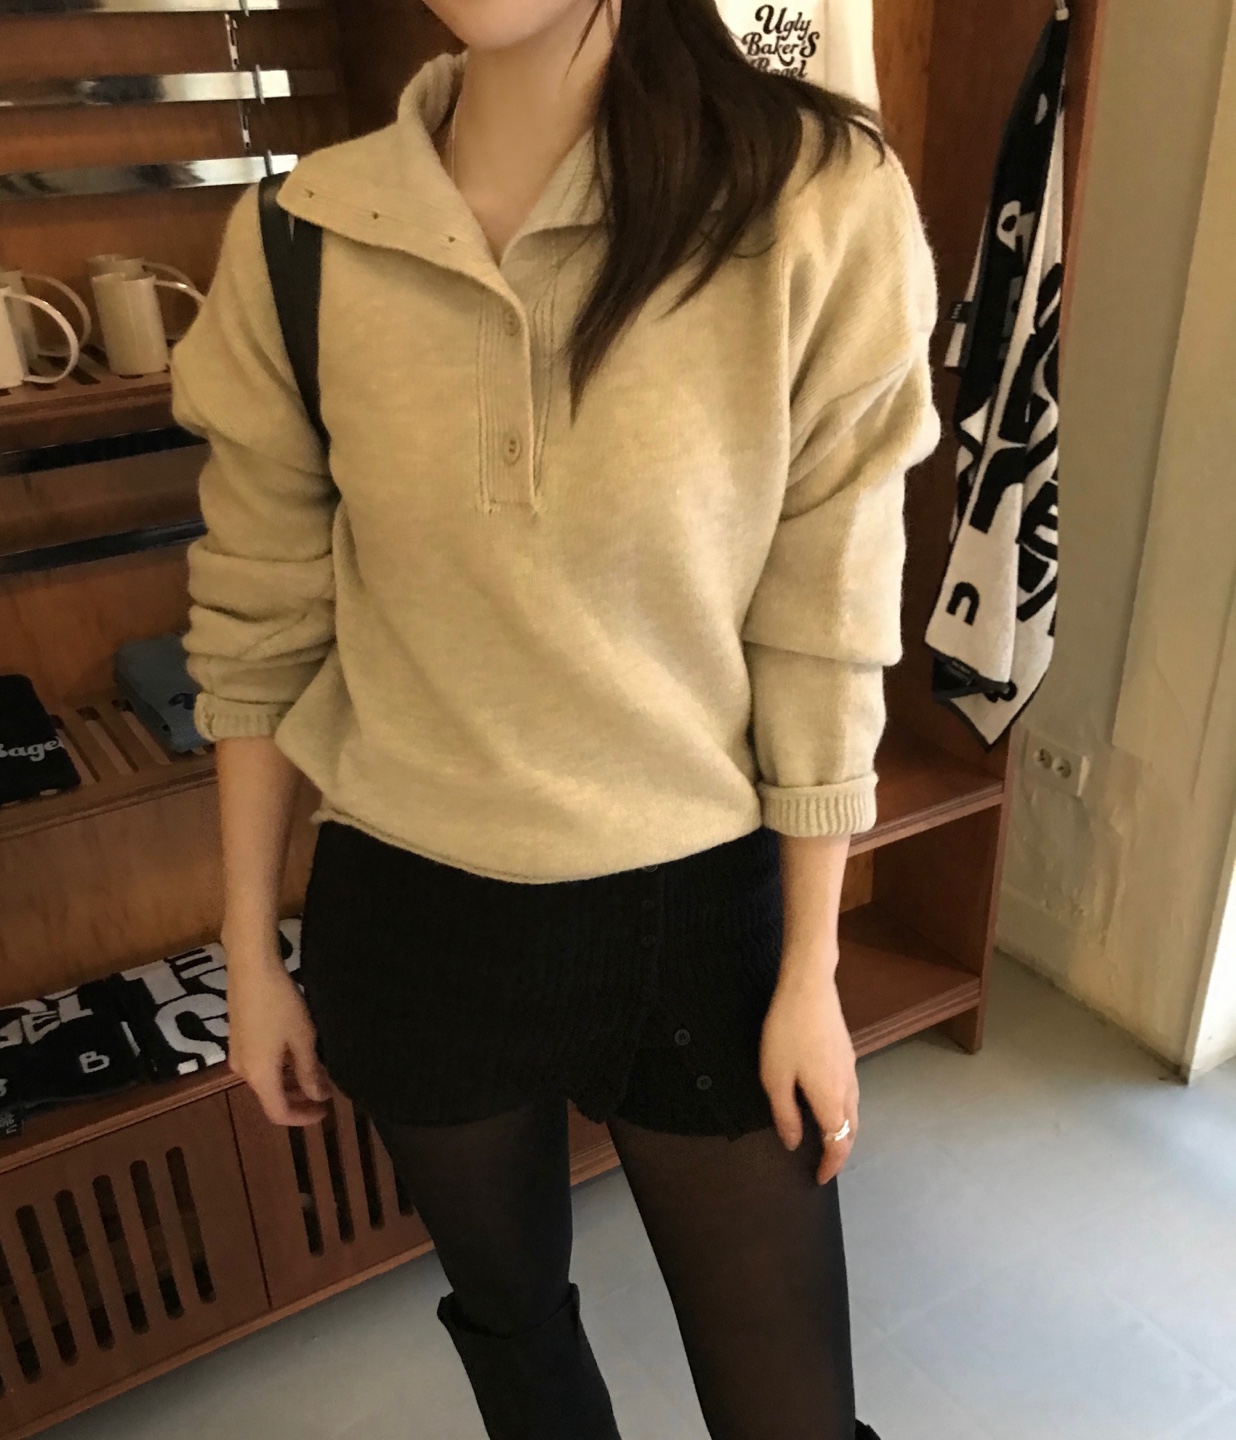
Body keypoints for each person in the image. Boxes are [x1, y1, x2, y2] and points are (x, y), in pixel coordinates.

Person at [171, 0, 941, 1434]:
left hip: (696, 910)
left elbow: (828, 617)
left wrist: (814, 964)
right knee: (518, 1350)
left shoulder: (811, 199)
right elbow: (259, 628)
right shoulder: (300, 237)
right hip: (411, 912)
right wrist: (248, 947)